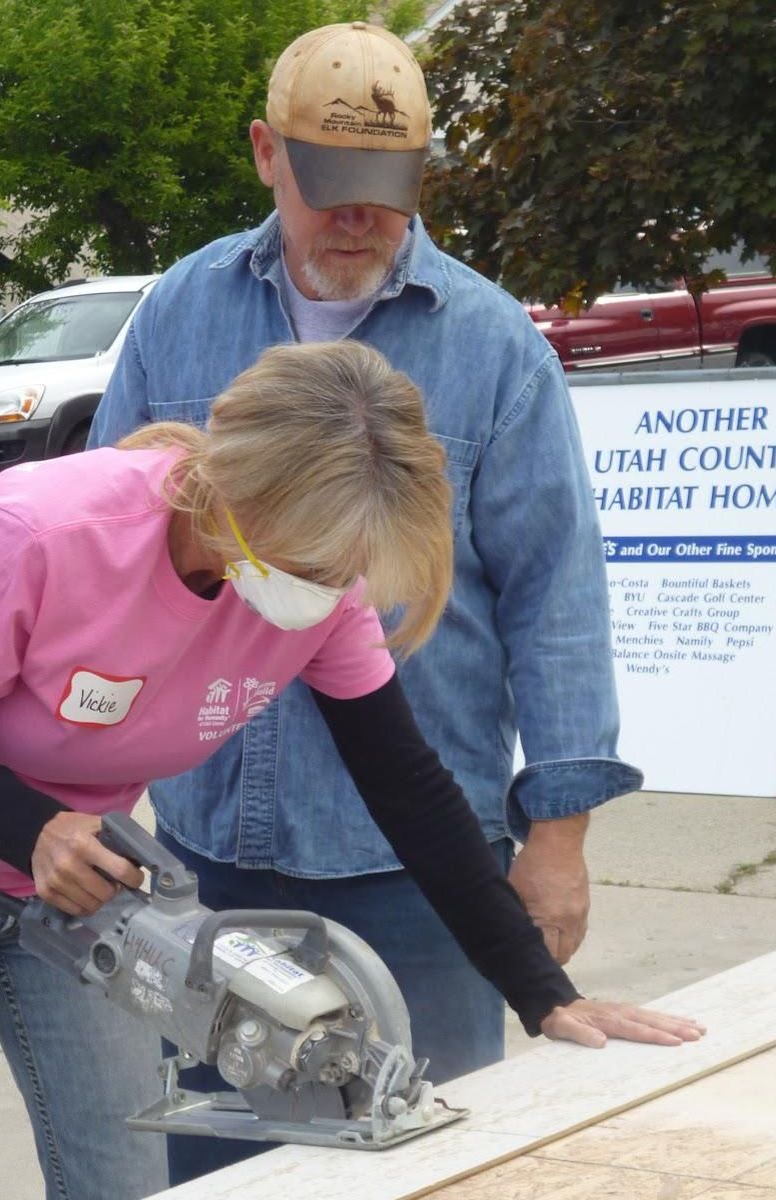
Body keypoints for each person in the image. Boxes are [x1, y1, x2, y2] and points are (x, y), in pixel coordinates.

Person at [0, 342, 699, 1200]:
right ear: (234, 491)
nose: (323, 588)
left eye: (343, 569)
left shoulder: (320, 596)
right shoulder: (49, 531)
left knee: (124, 1168)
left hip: (76, 885)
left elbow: (410, 788)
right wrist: (33, 828)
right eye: (310, 559)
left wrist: (542, 993)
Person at [89, 20, 643, 1185]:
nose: (358, 218)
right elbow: (114, 555)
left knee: (433, 1165)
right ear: (264, 154)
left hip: (419, 865)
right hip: (208, 851)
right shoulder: (181, 313)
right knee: (227, 1172)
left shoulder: (495, 346)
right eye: (330, 185)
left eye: (384, 191)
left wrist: (559, 839)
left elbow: (558, 599)